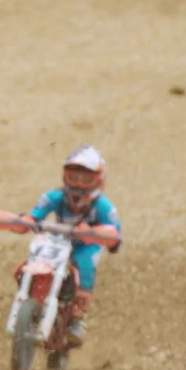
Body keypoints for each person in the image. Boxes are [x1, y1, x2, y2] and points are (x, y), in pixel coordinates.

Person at [24, 145, 123, 346]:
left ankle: (77, 317)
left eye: (86, 179)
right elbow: (35, 214)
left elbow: (114, 233)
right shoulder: (55, 197)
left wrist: (96, 233)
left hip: (85, 245)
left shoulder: (103, 206)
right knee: (36, 256)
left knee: (85, 264)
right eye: (74, 177)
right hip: (59, 239)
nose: (78, 184)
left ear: (98, 180)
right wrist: (26, 221)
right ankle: (31, 294)